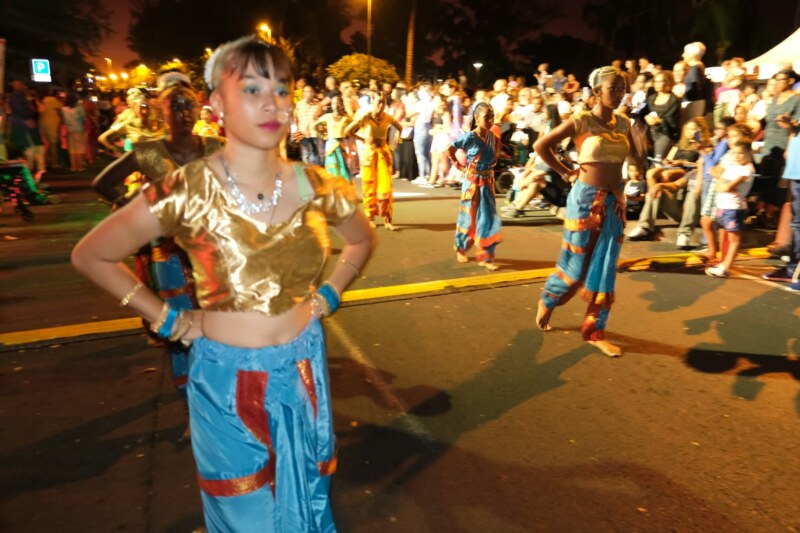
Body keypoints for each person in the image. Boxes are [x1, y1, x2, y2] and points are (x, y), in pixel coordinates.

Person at [72, 35, 375, 532]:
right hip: (224, 385)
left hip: (303, 374)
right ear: (216, 103)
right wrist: (170, 320)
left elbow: (362, 242)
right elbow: (92, 255)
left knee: (308, 504)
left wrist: (329, 293)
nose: (271, 102)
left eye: (281, 89)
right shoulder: (185, 188)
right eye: (252, 88)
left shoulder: (318, 183)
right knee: (247, 518)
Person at [533, 66, 633, 358]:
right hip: (585, 200)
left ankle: (594, 331)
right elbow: (542, 146)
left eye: (622, 87)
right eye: (613, 87)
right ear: (597, 90)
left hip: (614, 202)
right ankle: (549, 299)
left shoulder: (625, 123)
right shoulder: (582, 120)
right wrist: (566, 172)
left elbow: (627, 159)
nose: (618, 92)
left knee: (604, 269)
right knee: (576, 270)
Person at [627, 118, 708, 241]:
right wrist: (667, 162)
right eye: (689, 129)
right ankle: (644, 225)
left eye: (695, 129)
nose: (691, 132)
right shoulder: (679, 145)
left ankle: (683, 233)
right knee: (652, 175)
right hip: (673, 172)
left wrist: (683, 162)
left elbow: (702, 165)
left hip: (686, 171)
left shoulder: (703, 148)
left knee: (669, 178)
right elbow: (668, 161)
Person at [448, 102, 503, 270]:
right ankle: (461, 248)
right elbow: (450, 150)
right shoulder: (469, 137)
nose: (491, 120)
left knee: (488, 218)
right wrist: (459, 166)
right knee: (468, 216)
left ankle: (486, 256)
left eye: (492, 117)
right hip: (472, 182)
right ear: (477, 118)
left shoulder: (494, 138)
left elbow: (496, 153)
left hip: (487, 183)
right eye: (487, 117)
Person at [343, 90, 402, 230]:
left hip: (384, 154)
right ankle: (370, 217)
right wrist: (361, 139)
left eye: (384, 102)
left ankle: (388, 220)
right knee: (369, 186)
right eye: (378, 102)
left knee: (386, 186)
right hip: (370, 155)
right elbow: (348, 131)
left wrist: (395, 141)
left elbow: (399, 127)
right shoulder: (365, 117)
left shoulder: (388, 117)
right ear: (372, 102)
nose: (381, 105)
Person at [705, 143, 755, 277]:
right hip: (723, 205)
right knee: (724, 235)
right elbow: (718, 184)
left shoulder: (747, 169)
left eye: (740, 153)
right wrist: (723, 183)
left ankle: (726, 268)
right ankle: (723, 262)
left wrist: (723, 183)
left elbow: (726, 187)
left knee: (734, 238)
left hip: (734, 207)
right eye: (734, 153)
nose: (737, 157)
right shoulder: (733, 167)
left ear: (749, 153)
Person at [314, 95, 353, 182]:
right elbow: (315, 125)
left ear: (342, 105)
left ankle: (343, 183)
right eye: (334, 103)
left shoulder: (345, 118)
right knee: (332, 164)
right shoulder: (328, 116)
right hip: (330, 144)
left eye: (338, 103)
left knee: (342, 164)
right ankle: (333, 182)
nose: (336, 105)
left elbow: (353, 127)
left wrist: (348, 135)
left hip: (341, 144)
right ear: (331, 105)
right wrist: (323, 136)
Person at [62, 94, 87, 172]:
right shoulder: (79, 108)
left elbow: (64, 120)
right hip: (79, 129)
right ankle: (79, 166)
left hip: (69, 130)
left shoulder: (63, 109)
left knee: (72, 150)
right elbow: (84, 118)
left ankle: (73, 166)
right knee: (79, 149)